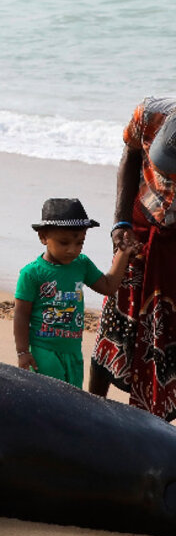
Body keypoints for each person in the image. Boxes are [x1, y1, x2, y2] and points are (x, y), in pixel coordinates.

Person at [90, 98, 176, 418]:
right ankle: (90, 410)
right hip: (140, 226)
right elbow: (130, 156)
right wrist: (120, 222)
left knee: (168, 333)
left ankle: (155, 433)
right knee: (116, 317)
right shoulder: (149, 115)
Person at [13, 198, 132, 388]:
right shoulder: (32, 273)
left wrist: (122, 255)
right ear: (43, 237)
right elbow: (21, 314)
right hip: (43, 351)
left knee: (72, 402)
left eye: (80, 243)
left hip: (74, 352)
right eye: (64, 242)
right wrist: (22, 352)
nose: (72, 249)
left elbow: (108, 286)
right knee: (52, 399)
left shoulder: (82, 265)